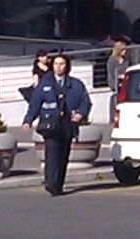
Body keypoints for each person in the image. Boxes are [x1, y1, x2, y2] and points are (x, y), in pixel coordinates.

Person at [22, 51, 91, 197]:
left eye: (62, 64)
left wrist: (80, 114)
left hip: (68, 124)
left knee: (63, 156)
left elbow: (86, 102)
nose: (59, 67)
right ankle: (51, 184)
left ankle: (58, 185)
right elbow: (35, 104)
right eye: (56, 64)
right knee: (52, 154)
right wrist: (28, 120)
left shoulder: (76, 84)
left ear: (67, 66)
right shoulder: (45, 84)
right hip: (51, 124)